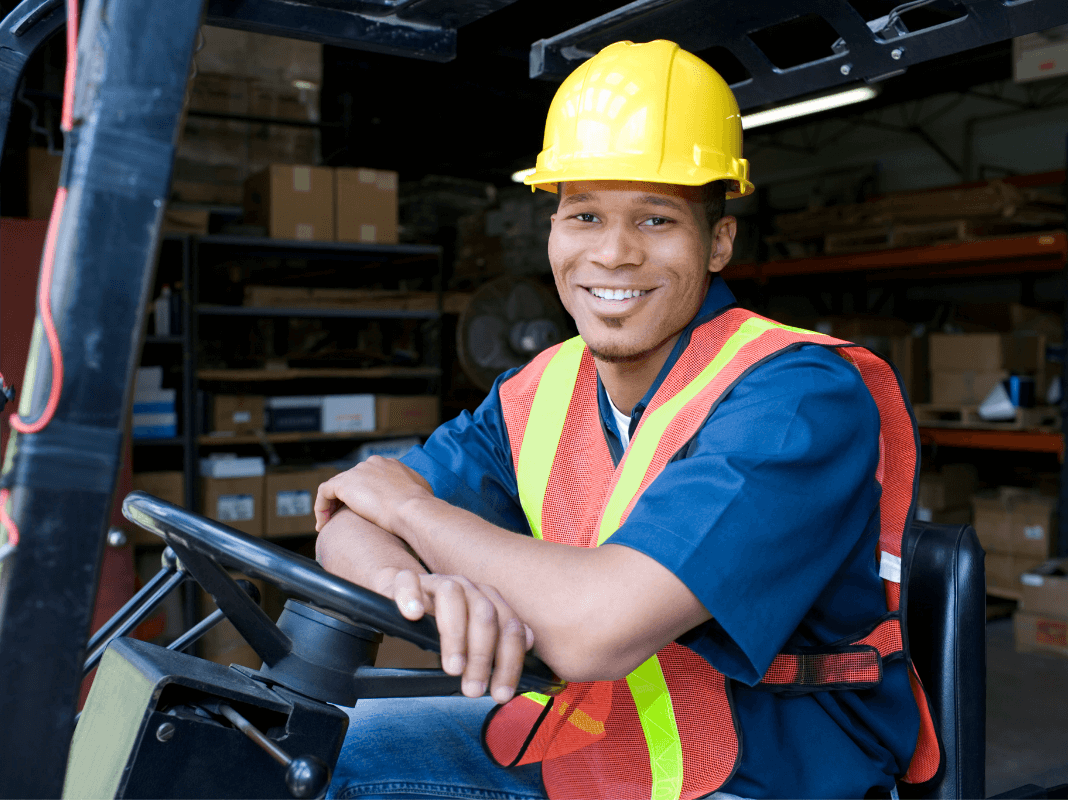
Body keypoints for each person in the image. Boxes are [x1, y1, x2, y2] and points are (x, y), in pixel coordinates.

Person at [314, 40, 938, 800]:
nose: (612, 253)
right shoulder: (540, 390)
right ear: (552, 230)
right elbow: (347, 512)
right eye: (583, 214)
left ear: (717, 242)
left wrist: (414, 512)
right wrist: (417, 588)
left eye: (654, 219)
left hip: (770, 770)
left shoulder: (798, 397)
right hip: (588, 743)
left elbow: (594, 628)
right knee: (301, 753)